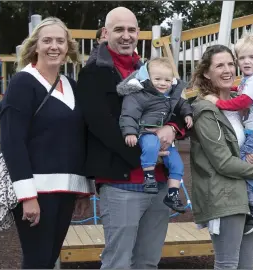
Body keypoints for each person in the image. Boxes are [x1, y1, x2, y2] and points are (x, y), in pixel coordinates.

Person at [76, 7, 189, 269]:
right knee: (118, 262)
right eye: (118, 30)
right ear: (105, 33)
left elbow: (179, 107)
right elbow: (100, 125)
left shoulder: (151, 71)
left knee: (148, 262)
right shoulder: (93, 73)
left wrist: (172, 128)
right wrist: (145, 152)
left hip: (159, 182)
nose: (126, 36)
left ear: (138, 33)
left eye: (131, 30)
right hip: (121, 181)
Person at [0, 17, 93, 269]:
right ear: (35, 46)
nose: (54, 46)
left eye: (60, 41)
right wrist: (27, 196)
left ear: (67, 47)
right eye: (47, 40)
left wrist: (83, 190)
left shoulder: (71, 85)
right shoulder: (22, 83)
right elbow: (12, 142)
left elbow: (79, 139)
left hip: (66, 190)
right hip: (36, 192)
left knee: (49, 258)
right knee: (37, 261)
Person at [188, 44, 253, 269]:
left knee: (247, 265)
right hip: (223, 195)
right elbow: (223, 162)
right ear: (206, 72)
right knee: (228, 264)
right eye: (219, 65)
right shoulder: (205, 110)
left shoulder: (241, 102)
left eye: (230, 64)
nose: (227, 70)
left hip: (246, 193)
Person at [202, 32, 253, 235]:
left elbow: (243, 101)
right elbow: (242, 89)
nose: (246, 61)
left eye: (252, 57)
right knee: (251, 159)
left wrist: (218, 103)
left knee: (246, 160)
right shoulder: (250, 79)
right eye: (242, 57)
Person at [117, 57, 192, 213]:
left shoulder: (171, 96)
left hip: (165, 138)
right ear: (147, 78)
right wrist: (130, 132)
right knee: (150, 146)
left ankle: (173, 194)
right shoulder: (139, 95)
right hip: (146, 131)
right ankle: (149, 177)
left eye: (167, 79)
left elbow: (183, 104)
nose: (162, 83)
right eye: (157, 79)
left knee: (177, 163)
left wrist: (187, 114)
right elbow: (128, 115)